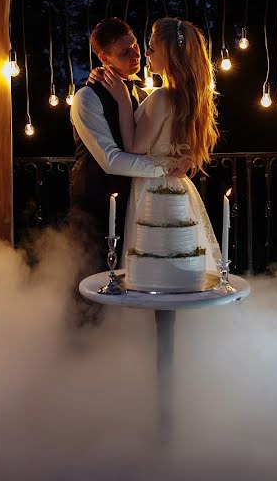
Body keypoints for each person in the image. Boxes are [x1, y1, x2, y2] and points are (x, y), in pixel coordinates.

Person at [90, 17, 221, 272]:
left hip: (154, 191)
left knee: (154, 265)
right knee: (179, 263)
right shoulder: (188, 97)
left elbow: (134, 148)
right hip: (179, 188)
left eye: (151, 47)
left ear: (169, 55)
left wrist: (123, 101)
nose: (145, 53)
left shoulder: (162, 97)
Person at [68, 17, 168, 326]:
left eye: (136, 46)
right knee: (90, 291)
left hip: (132, 206)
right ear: (104, 58)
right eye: (125, 52)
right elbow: (110, 160)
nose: (136, 56)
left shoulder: (137, 93)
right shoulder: (87, 97)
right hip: (94, 207)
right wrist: (164, 168)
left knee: (129, 290)